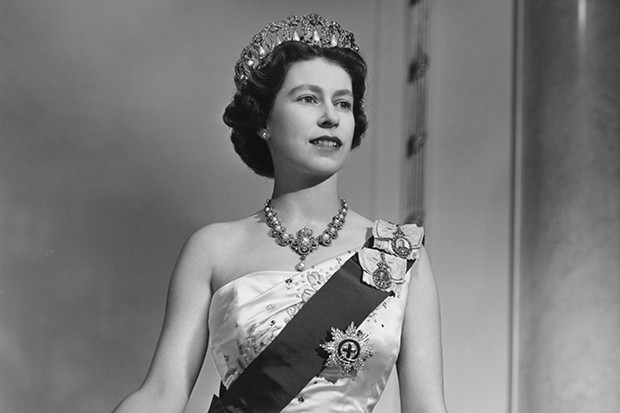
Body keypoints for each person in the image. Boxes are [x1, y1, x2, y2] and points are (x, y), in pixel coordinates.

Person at [113, 14, 447, 413]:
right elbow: (162, 394)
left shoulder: (399, 256)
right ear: (263, 121)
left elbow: (427, 408)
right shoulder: (213, 249)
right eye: (309, 98)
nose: (331, 116)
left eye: (343, 102)